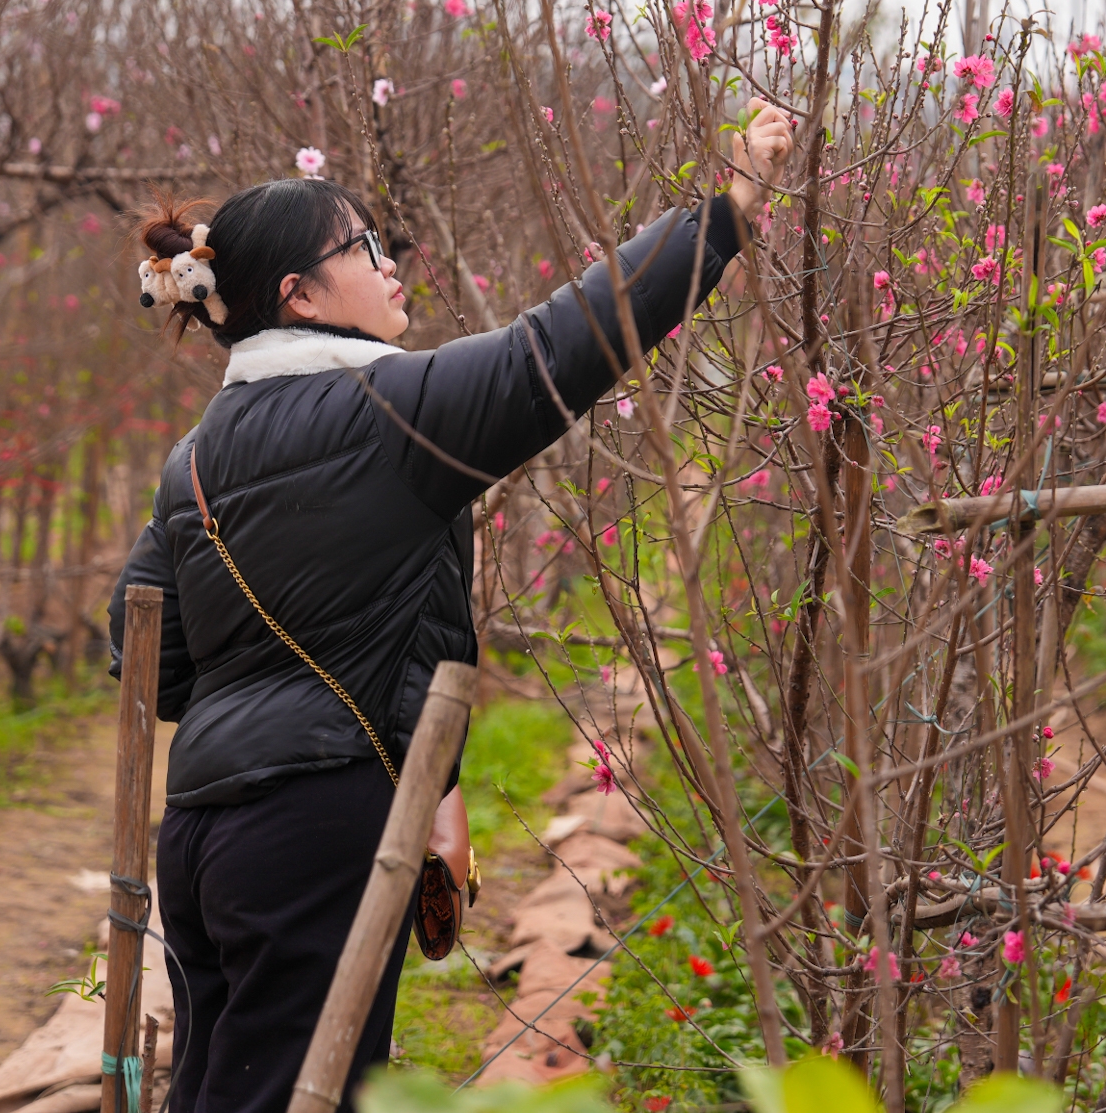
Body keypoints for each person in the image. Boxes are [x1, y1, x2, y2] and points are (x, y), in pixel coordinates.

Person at [111, 97, 792, 1113]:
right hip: (318, 820)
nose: (391, 265)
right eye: (362, 247)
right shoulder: (393, 411)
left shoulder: (191, 461)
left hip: (201, 834)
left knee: (218, 1090)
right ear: (297, 295)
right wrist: (728, 209)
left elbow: (148, 662)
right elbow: (561, 343)